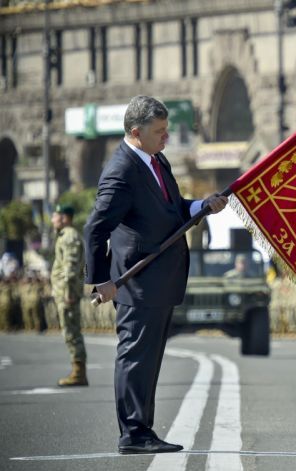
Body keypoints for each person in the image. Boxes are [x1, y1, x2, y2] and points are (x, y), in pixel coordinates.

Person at [84, 95, 228, 455]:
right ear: (136, 132)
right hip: (136, 283)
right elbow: (95, 229)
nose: (166, 137)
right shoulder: (122, 170)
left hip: (159, 282)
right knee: (135, 358)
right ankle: (132, 433)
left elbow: (172, 209)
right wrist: (101, 280)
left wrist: (201, 207)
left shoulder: (155, 159)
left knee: (148, 361)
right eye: (159, 131)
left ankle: (142, 429)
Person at [51, 204, 88, 386]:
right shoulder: (64, 236)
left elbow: (71, 267)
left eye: (55, 216)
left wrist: (68, 292)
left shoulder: (69, 236)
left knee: (71, 331)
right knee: (70, 331)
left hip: (68, 294)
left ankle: (79, 373)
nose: (52, 220)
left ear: (64, 217)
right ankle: (77, 370)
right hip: (66, 292)